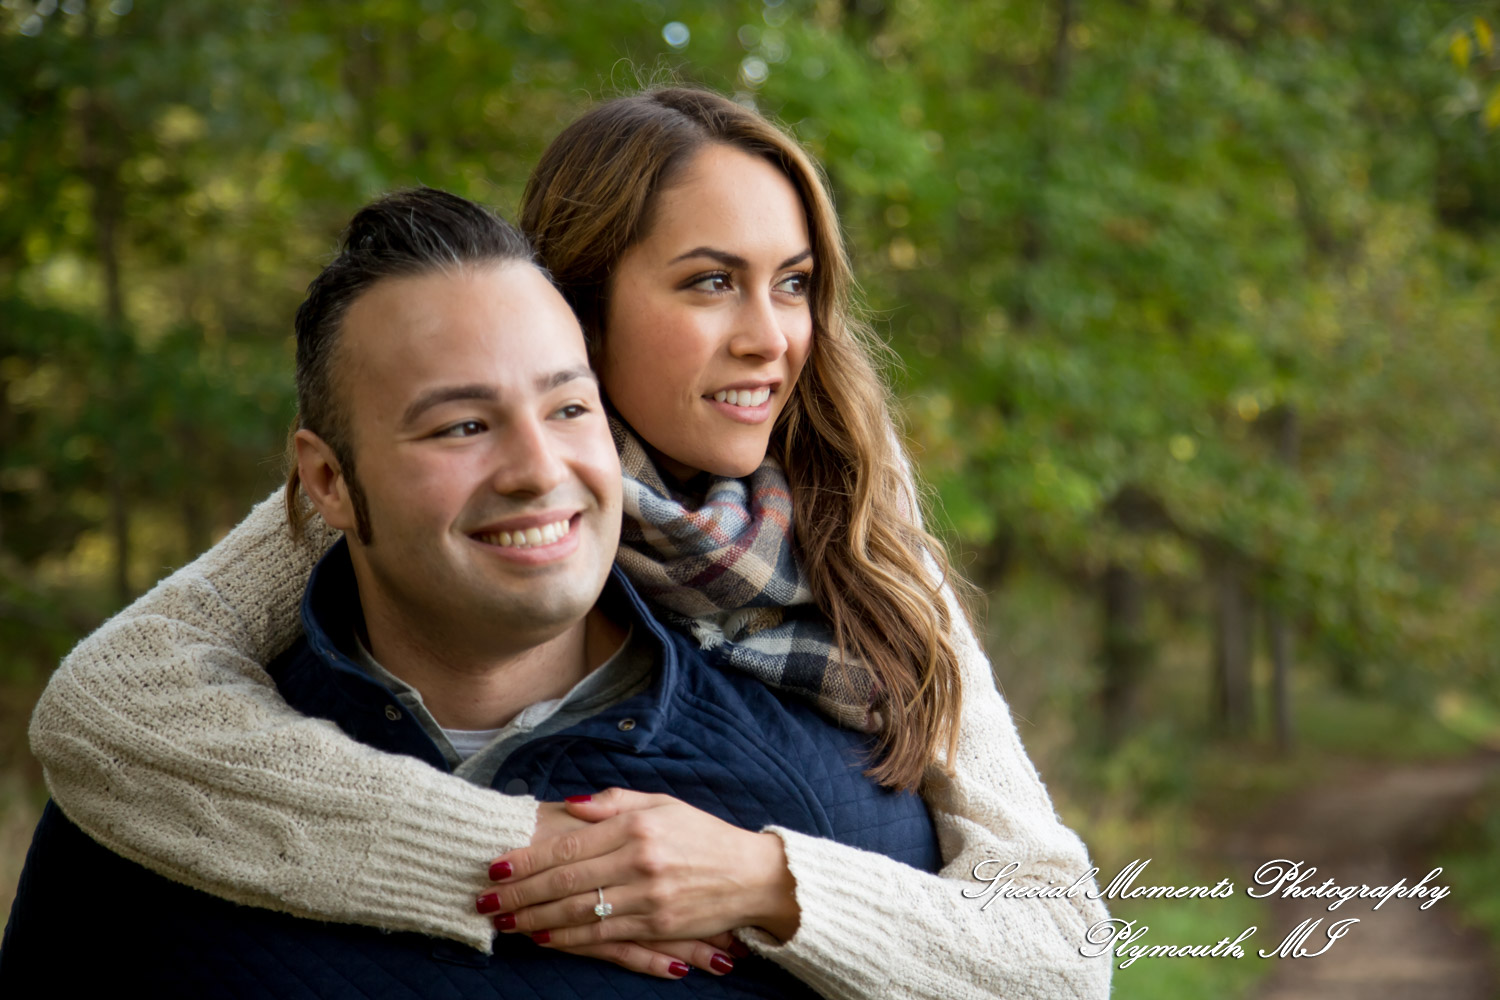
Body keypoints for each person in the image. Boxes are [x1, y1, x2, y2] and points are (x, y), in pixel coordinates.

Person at [26, 88, 1111, 998]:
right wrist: (516, 853)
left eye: (794, 283)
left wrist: (770, 880)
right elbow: (110, 700)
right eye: (708, 281)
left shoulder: (850, 514)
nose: (770, 337)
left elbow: (1062, 944)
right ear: (572, 309)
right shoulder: (410, 485)